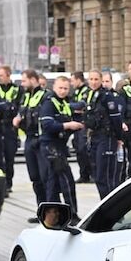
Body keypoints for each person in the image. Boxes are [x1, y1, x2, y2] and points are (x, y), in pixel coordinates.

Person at [38, 76, 82, 215]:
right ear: (54, 87)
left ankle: (51, 216)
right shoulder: (49, 102)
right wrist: (68, 125)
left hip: (59, 146)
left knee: (53, 183)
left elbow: (74, 108)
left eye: (66, 88)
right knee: (66, 180)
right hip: (51, 146)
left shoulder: (64, 102)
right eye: (60, 88)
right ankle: (72, 215)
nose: (63, 91)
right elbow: (47, 125)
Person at [83, 70, 124, 198]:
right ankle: (104, 204)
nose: (93, 82)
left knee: (105, 175)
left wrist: (119, 137)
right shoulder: (89, 95)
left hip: (107, 137)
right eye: (91, 79)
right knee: (97, 175)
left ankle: (112, 208)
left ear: (101, 80)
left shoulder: (107, 96)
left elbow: (116, 119)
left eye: (96, 79)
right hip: (94, 137)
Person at [15, 69, 48, 217]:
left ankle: (50, 211)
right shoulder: (26, 96)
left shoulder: (45, 96)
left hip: (40, 140)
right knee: (35, 177)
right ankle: (41, 211)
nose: (22, 84)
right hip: (29, 139)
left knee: (45, 176)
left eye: (24, 81)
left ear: (33, 80)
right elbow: (22, 113)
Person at [0, 66, 22, 193]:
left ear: (8, 75)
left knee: (10, 156)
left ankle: (9, 183)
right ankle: (2, 183)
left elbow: (19, 106)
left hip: (10, 127)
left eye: (1, 75)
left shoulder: (17, 89)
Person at [69, 71, 93, 183]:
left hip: (84, 124)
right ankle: (83, 175)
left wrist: (72, 107)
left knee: (85, 150)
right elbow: (73, 106)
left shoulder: (86, 91)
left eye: (72, 80)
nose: (71, 83)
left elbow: (81, 105)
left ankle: (91, 174)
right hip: (76, 124)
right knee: (79, 150)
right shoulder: (76, 92)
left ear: (79, 79)